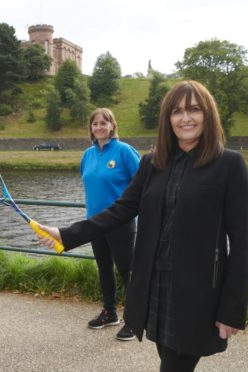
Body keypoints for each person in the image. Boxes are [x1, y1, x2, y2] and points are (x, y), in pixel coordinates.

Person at [38, 80, 248, 372]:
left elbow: (241, 244)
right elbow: (121, 209)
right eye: (176, 111)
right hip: (155, 285)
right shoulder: (154, 163)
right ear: (168, 119)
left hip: (198, 293)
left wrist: (232, 308)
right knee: (167, 357)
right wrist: (66, 234)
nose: (185, 118)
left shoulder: (229, 165)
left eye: (193, 109)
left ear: (208, 114)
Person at [81, 108, 140, 341]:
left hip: (120, 222)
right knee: (104, 268)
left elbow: (141, 182)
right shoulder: (88, 154)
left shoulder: (124, 151)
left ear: (112, 126)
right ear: (91, 128)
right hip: (95, 222)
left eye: (103, 123)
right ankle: (110, 313)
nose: (99, 127)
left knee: (127, 271)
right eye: (94, 124)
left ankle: (135, 321)